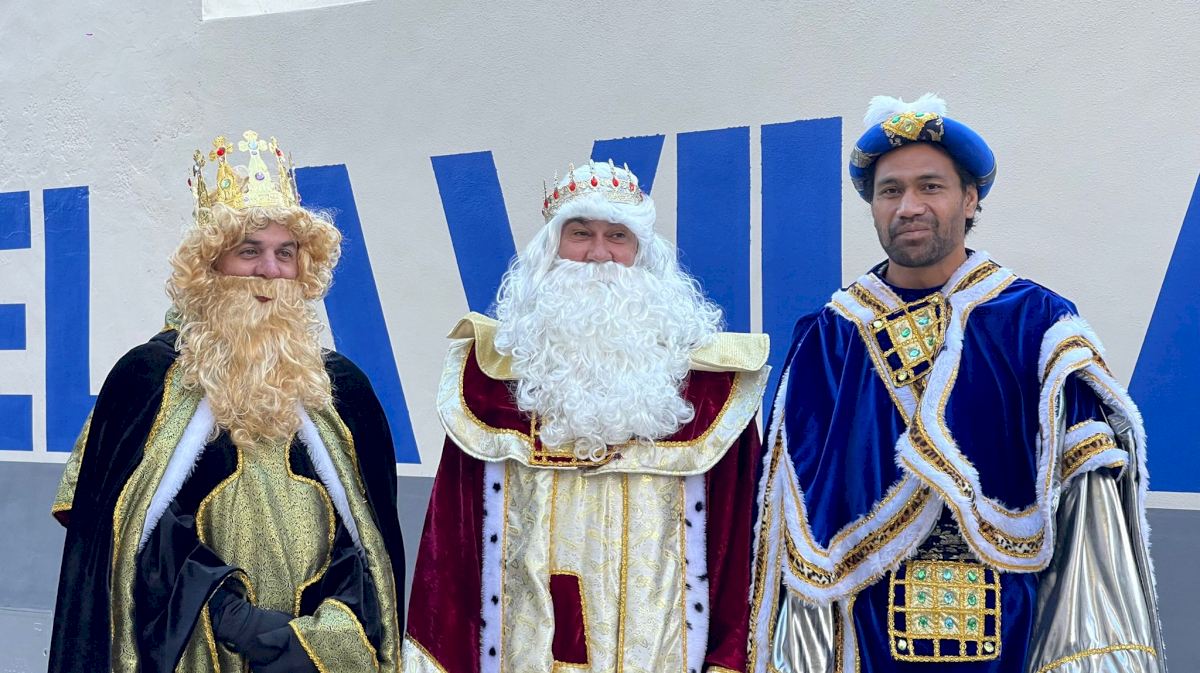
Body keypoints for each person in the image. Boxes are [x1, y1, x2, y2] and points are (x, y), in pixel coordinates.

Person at [749, 95, 1167, 672]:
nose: (909, 207)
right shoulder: (828, 336)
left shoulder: (1036, 323)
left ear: (970, 200)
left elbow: (1087, 517)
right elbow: (785, 522)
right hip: (857, 637)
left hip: (1010, 636)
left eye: (931, 187)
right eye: (890, 191)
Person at [48, 131, 406, 673]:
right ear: (210, 264)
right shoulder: (147, 378)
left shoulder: (342, 389)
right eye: (249, 251)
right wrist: (229, 615)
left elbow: (373, 546)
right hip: (191, 650)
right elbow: (122, 537)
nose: (270, 271)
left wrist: (319, 634)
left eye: (286, 253)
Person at [403, 160, 766, 672]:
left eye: (617, 235)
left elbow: (742, 553)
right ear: (550, 249)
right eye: (580, 234)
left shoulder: (711, 392)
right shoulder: (488, 385)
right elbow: (450, 556)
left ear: (643, 253)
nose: (599, 254)